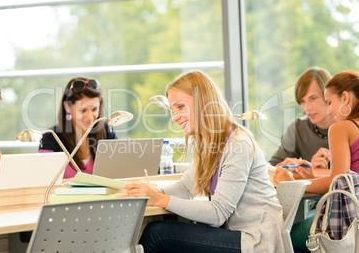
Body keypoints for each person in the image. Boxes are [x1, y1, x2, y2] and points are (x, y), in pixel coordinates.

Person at [125, 71, 284, 252]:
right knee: (161, 230)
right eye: (173, 110)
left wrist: (161, 199)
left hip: (255, 241)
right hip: (234, 233)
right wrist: (157, 192)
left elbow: (218, 213)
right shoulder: (210, 144)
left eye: (180, 107)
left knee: (158, 234)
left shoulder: (238, 144)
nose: (175, 117)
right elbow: (185, 187)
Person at [274, 70, 359, 252]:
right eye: (302, 101)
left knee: (279, 236)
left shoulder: (340, 128)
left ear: (344, 97)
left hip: (348, 221)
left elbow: (337, 182)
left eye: (329, 102)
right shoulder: (299, 128)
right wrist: (313, 176)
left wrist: (294, 183)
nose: (329, 110)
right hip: (354, 219)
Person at [39, 77, 117, 178]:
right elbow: (44, 178)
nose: (89, 117)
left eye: (94, 109)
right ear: (67, 107)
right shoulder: (51, 137)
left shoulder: (106, 131)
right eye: (83, 110)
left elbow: (118, 170)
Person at [269, 67, 335, 175]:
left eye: (313, 98)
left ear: (328, 95)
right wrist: (296, 167)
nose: (307, 108)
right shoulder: (298, 128)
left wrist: (313, 172)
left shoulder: (351, 126)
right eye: (302, 101)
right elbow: (270, 169)